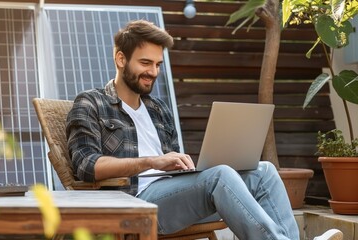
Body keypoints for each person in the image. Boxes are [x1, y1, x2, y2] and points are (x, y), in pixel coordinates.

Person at [66, 19, 343, 240]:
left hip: (173, 196)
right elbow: (86, 166)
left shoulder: (158, 109)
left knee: (265, 172)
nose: (153, 72)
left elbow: (173, 167)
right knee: (220, 176)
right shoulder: (91, 102)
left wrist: (184, 166)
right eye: (145, 63)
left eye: (158, 64)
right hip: (136, 202)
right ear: (121, 59)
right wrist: (152, 162)